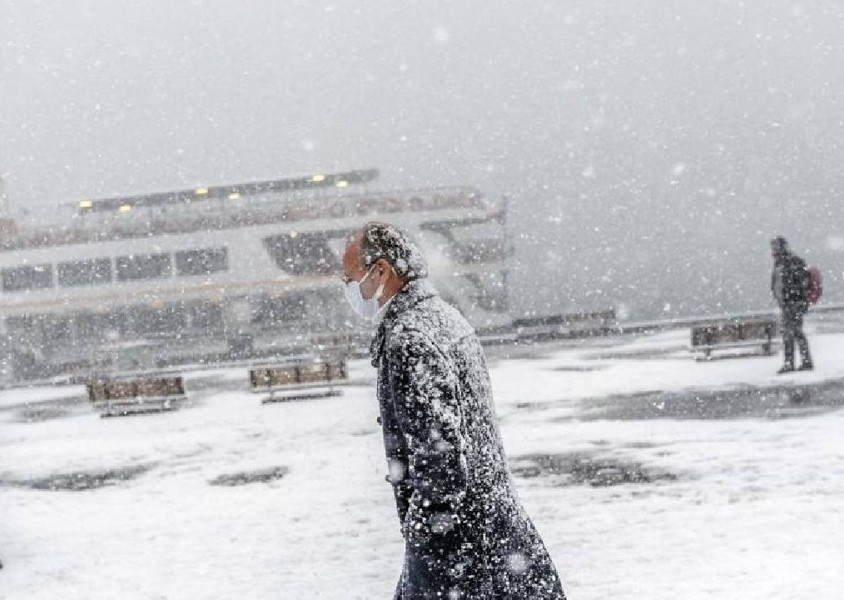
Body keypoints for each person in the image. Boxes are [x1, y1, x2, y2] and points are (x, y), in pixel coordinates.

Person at [341, 222, 566, 600]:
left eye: (350, 280)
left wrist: (427, 543)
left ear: (381, 271)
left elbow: (440, 461)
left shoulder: (410, 340)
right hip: (499, 538)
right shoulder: (446, 319)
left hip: (460, 554)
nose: (348, 291)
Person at [770, 236, 813, 373]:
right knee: (792, 333)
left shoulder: (792, 262)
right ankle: (800, 362)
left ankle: (794, 363)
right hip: (788, 303)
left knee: (792, 333)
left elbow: (799, 284)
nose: (773, 250)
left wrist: (792, 298)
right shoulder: (781, 262)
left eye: (775, 246)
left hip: (793, 303)